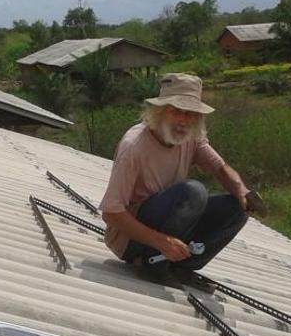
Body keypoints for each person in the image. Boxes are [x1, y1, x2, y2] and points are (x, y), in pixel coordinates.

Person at [99, 72, 266, 289]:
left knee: (237, 207)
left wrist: (242, 192)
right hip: (131, 240)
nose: (184, 121)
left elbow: (219, 168)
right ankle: (153, 264)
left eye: (191, 114)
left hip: (171, 225)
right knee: (194, 191)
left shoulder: (191, 137)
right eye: (176, 111)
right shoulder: (134, 146)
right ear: (159, 111)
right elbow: (111, 213)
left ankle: (180, 266)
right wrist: (162, 242)